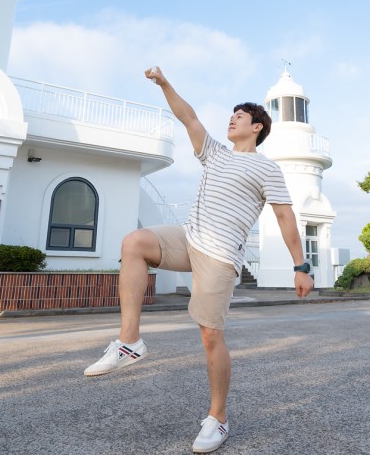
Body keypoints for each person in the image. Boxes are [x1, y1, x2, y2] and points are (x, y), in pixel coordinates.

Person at [84, 66, 314, 453]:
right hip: (188, 239)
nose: (232, 119)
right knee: (135, 242)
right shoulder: (214, 154)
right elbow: (188, 116)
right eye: (231, 114)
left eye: (240, 116)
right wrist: (164, 83)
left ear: (257, 127)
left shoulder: (266, 167)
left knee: (210, 336)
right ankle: (129, 342)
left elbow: (285, 215)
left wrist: (300, 266)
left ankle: (218, 418)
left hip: (221, 256)